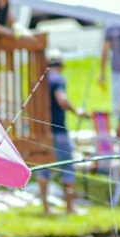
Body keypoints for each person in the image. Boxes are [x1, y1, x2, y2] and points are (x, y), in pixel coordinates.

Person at [37, 49, 82, 215]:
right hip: (58, 131)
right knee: (67, 166)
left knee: (44, 168)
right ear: (61, 65)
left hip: (43, 132)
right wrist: (76, 111)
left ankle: (45, 208)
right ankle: (70, 207)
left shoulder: (41, 79)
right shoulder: (58, 79)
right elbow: (62, 100)